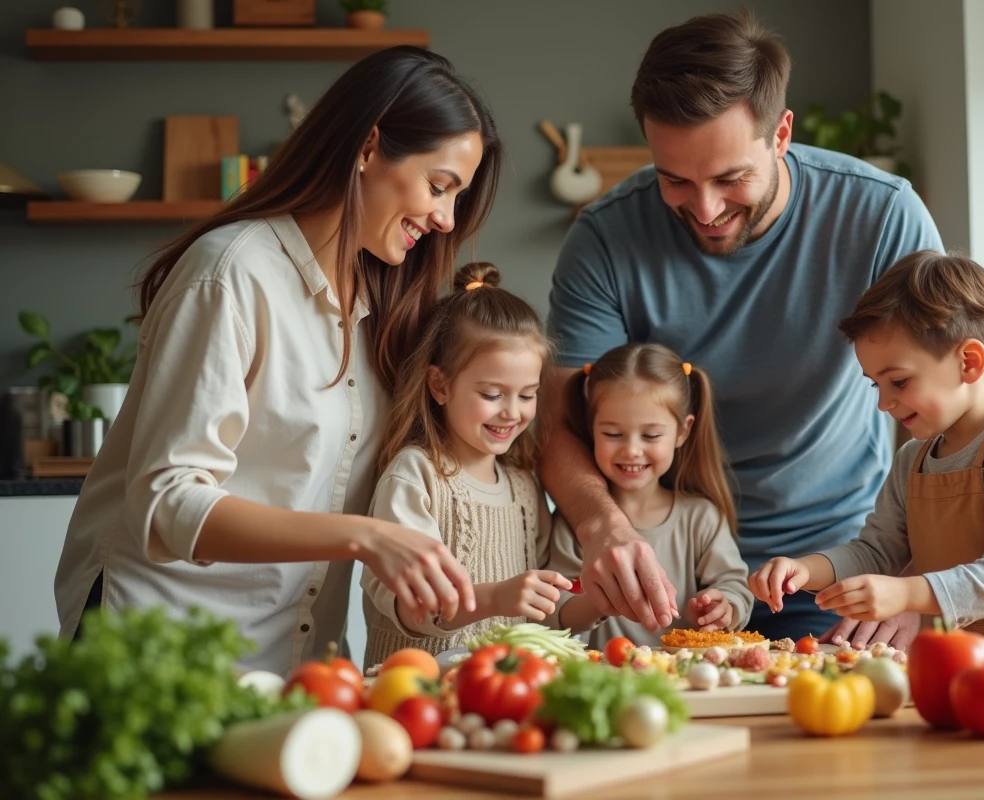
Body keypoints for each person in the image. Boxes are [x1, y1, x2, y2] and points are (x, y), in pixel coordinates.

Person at [54, 46, 501, 676]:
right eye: (439, 186)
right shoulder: (230, 273)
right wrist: (364, 537)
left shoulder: (383, 305)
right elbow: (168, 503)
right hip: (162, 654)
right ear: (368, 147)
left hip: (292, 663)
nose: (447, 219)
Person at [541, 10, 943, 646]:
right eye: (675, 180)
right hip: (668, 578)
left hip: (837, 570)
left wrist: (915, 578)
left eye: (731, 178)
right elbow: (557, 424)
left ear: (781, 134)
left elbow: (946, 414)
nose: (705, 209)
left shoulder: (883, 216)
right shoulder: (604, 238)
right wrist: (603, 528)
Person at [750, 251, 984, 665]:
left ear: (969, 363)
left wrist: (904, 592)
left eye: (898, 381)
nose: (884, 403)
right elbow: (877, 551)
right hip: (962, 663)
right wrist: (806, 570)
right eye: (876, 385)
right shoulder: (911, 460)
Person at [360, 262, 564, 666]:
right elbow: (411, 607)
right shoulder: (414, 475)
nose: (512, 412)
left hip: (503, 689)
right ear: (440, 385)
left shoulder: (525, 487)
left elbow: (545, 607)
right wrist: (496, 597)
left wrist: (598, 603)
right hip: (415, 688)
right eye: (492, 394)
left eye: (527, 395)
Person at [542, 343, 752, 649]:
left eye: (651, 435)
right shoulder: (577, 524)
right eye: (613, 434)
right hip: (603, 672)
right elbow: (554, 612)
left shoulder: (701, 518)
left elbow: (735, 586)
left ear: (683, 431)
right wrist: (603, 600)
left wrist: (724, 606)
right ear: (591, 429)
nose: (631, 450)